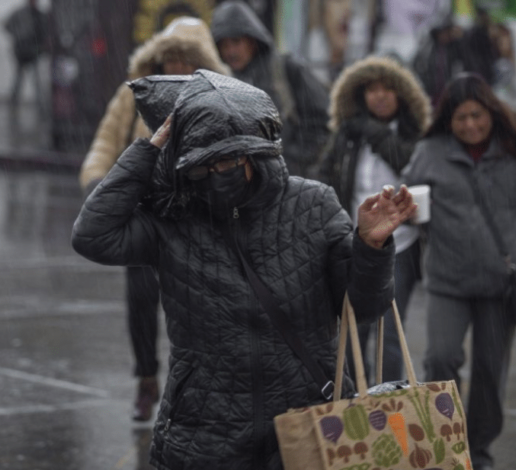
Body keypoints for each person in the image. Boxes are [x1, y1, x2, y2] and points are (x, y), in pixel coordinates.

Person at [71, 70, 416, 470]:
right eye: (204, 166)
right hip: (203, 430)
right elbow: (92, 235)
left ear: (254, 153)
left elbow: (363, 308)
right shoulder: (174, 217)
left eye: (229, 160)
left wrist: (371, 247)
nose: (218, 175)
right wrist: (149, 150)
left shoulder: (313, 205)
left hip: (305, 422)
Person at [401, 74, 516, 470]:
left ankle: (479, 453)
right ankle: (444, 448)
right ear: (447, 121)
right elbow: (408, 199)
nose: (470, 125)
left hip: (500, 285)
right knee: (440, 361)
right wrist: (408, 210)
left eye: (476, 116)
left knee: (490, 374)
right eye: (460, 119)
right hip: (447, 282)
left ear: (491, 112)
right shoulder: (430, 152)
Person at [77, 17, 229, 422]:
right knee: (141, 302)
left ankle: (197, 390)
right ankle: (146, 379)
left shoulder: (218, 97)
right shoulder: (133, 93)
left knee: (200, 307)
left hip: (197, 218)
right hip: (145, 213)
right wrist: (98, 183)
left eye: (185, 59)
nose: (176, 67)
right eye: (169, 58)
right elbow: (106, 141)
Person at [319, 55, 431, 383]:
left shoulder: (414, 135)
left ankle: (390, 404)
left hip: (402, 245)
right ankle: (359, 405)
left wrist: (375, 132)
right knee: (355, 330)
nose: (379, 96)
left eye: (387, 88)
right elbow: (325, 176)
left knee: (391, 332)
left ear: (402, 94)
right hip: (354, 241)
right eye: (371, 89)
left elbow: (409, 164)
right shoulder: (348, 134)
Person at [211, 0, 330, 178]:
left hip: (289, 183)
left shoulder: (286, 69)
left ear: (252, 40)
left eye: (236, 42)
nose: (231, 51)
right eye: (224, 45)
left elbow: (322, 121)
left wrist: (293, 162)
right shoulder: (215, 81)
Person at [411, 16, 465, 108]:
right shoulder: (427, 49)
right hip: (431, 92)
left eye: (447, 32)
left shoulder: (455, 48)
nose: (445, 36)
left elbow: (460, 67)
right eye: (442, 32)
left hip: (448, 93)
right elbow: (417, 66)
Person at [4, 0, 48, 107]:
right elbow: (7, 25)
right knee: (19, 78)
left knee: (36, 78)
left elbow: (44, 31)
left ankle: (39, 102)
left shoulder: (39, 15)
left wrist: (42, 45)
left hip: (34, 51)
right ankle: (14, 101)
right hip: (22, 50)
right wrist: (18, 35)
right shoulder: (20, 13)